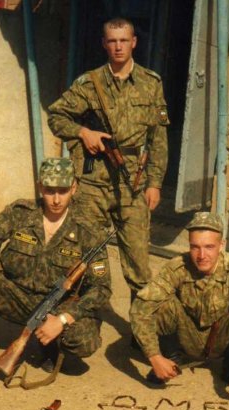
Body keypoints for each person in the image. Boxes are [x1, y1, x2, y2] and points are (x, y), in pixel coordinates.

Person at [47, 17, 169, 305]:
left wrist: (155, 183)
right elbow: (56, 116)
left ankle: (142, 324)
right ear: (104, 44)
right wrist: (83, 132)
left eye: (123, 40)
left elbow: (158, 138)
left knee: (138, 261)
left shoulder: (151, 83)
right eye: (112, 41)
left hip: (133, 183)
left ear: (133, 42)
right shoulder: (89, 84)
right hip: (93, 184)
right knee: (83, 255)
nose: (118, 47)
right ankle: (77, 319)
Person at [0, 158, 111, 387]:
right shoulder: (20, 213)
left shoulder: (88, 230)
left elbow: (101, 288)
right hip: (16, 297)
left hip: (57, 306)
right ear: (40, 187)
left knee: (83, 340)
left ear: (74, 188)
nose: (56, 199)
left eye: (63, 191)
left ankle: (49, 345)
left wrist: (62, 319)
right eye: (50, 190)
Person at [130, 212, 229, 394]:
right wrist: (154, 356)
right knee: (161, 304)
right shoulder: (177, 268)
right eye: (195, 247)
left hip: (220, 338)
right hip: (186, 336)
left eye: (209, 247)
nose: (201, 255)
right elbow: (141, 307)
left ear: (221, 245)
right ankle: (170, 361)